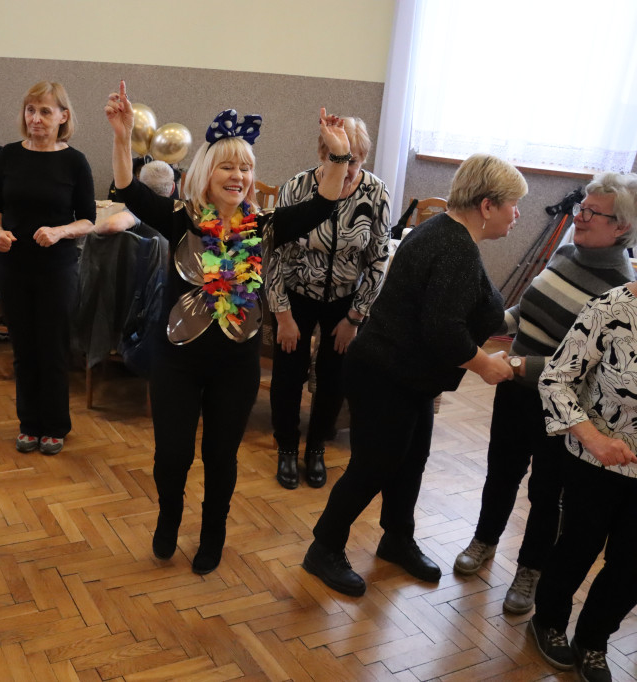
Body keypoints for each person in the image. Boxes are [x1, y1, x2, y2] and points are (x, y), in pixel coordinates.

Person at [106, 80, 354, 574]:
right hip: (176, 360)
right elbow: (129, 191)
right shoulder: (181, 218)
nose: (237, 176)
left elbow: (323, 204)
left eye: (245, 167)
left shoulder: (263, 226)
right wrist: (120, 136)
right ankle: (169, 517)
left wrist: (339, 156)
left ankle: (213, 532)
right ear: (206, 171)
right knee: (172, 455)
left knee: (221, 457)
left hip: (235, 366)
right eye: (227, 166)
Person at [303, 154, 525, 597]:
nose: (516, 214)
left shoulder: (444, 230)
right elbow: (443, 329)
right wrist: (485, 364)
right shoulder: (455, 247)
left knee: (411, 460)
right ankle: (323, 547)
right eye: (512, 205)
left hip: (409, 377)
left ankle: (396, 538)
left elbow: (448, 316)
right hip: (385, 375)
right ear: (487, 205)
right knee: (374, 465)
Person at [454, 173, 637, 616]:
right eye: (581, 207)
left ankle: (530, 568)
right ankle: (484, 539)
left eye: (593, 212)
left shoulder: (619, 288)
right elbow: (529, 309)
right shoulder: (567, 252)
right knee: (501, 473)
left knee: (546, 492)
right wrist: (494, 323)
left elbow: (575, 365)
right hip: (514, 391)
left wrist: (513, 365)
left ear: (622, 227)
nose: (580, 216)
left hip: (560, 408)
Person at [266, 116, 390, 490]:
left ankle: (316, 446)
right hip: (296, 296)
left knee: (334, 377)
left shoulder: (376, 193)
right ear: (323, 154)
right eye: (341, 159)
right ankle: (287, 446)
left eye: (356, 161)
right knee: (288, 374)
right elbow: (272, 255)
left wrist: (355, 317)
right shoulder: (297, 187)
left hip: (344, 301)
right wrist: (283, 316)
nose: (349, 170)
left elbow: (379, 259)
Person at [532, 273, 637, 681]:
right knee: (578, 547)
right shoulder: (610, 309)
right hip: (596, 461)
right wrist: (594, 439)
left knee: (631, 566)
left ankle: (594, 638)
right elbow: (554, 379)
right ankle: (548, 621)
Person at [0, 81, 95, 456]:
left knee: (52, 347)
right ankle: (28, 423)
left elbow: (88, 219)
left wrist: (60, 231)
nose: (36, 118)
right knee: (23, 347)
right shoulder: (10, 155)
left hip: (56, 268)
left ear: (63, 116)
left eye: (45, 111)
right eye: (30, 110)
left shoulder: (74, 161)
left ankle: (55, 425)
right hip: (12, 265)